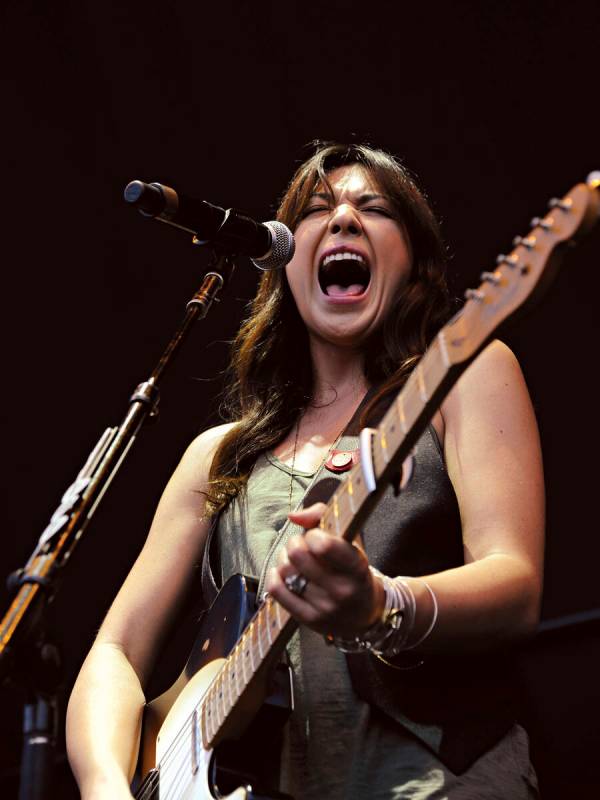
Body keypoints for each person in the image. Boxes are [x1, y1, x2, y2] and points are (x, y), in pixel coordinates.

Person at [66, 143, 544, 799]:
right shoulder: (218, 456)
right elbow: (115, 652)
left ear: (414, 259)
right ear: (282, 262)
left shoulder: (464, 375)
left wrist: (384, 605)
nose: (343, 219)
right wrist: (105, 786)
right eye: (316, 210)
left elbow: (516, 582)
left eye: (372, 209)